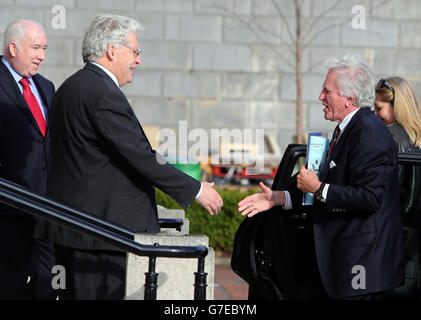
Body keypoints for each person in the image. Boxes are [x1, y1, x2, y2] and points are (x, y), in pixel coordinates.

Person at [34, 14, 223, 300]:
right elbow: (140, 155)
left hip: (79, 229)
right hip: (99, 235)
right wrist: (195, 188)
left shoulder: (73, 86)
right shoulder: (102, 93)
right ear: (112, 51)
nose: (138, 60)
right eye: (135, 52)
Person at [238, 54, 404, 300]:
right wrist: (278, 197)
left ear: (349, 98)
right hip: (344, 266)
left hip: (361, 269)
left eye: (327, 91)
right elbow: (326, 179)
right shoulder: (349, 128)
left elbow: (370, 198)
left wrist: (318, 189)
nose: (320, 97)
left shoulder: (369, 132)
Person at [0, 20, 56, 300]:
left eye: (44, 48)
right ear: (13, 47)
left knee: (47, 283)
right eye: (35, 48)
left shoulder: (46, 87)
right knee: (9, 284)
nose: (41, 55)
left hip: (44, 207)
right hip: (7, 207)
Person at [374, 77, 421, 153]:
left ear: (396, 107)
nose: (374, 113)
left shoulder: (388, 138)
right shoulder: (416, 137)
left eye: (378, 108)